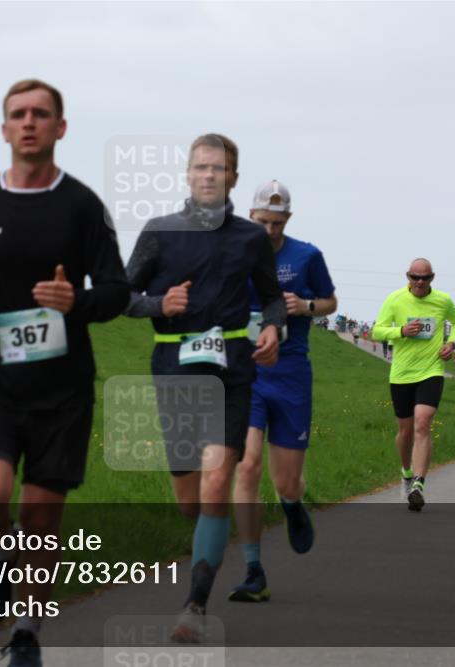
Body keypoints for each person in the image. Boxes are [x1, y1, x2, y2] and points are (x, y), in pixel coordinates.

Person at [0, 79, 130, 667]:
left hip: (63, 387)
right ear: (4, 130)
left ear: (60, 128)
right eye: (18, 114)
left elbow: (118, 291)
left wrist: (77, 303)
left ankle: (26, 633)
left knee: (42, 515)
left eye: (40, 114)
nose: (29, 123)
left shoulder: (83, 206)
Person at [124, 134, 284, 642]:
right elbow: (120, 295)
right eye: (201, 167)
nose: (210, 175)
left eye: (219, 168)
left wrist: (274, 327)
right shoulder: (160, 232)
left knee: (218, 482)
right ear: (188, 175)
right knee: (189, 500)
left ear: (233, 177)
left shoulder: (250, 237)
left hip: (233, 370)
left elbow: (274, 299)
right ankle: (201, 542)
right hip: (174, 368)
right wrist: (157, 305)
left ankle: (195, 604)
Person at [229, 180, 337, 603]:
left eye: (276, 223)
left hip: (291, 370)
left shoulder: (307, 256)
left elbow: (330, 301)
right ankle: (254, 569)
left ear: (287, 220)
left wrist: (305, 307)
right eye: (261, 222)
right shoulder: (235, 252)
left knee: (287, 481)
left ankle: (291, 505)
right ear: (249, 217)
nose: (268, 231)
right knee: (247, 465)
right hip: (248, 370)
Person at [371, 258, 455, 511]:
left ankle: (418, 485)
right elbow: (377, 331)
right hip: (401, 374)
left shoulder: (442, 300)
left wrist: (452, 343)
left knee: (422, 423)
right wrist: (401, 331)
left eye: (425, 278)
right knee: (405, 432)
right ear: (408, 277)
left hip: (431, 371)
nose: (420, 282)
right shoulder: (395, 299)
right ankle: (406, 473)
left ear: (433, 277)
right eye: (415, 277)